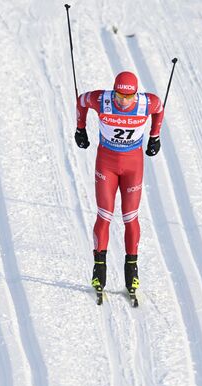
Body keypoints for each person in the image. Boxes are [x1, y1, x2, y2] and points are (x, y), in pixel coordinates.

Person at [75, 70, 164, 303]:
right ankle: (99, 270)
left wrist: (155, 136)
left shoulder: (146, 102)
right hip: (107, 165)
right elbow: (81, 100)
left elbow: (160, 107)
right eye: (119, 96)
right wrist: (80, 129)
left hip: (133, 166)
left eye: (129, 97)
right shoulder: (102, 100)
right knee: (104, 215)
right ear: (113, 92)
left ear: (136, 94)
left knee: (130, 217)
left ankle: (132, 273)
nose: (124, 102)